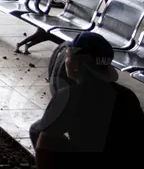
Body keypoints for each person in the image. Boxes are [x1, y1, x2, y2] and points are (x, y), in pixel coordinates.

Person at [29, 32, 144, 168]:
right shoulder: (127, 95)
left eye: (66, 56)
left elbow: (44, 146)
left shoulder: (68, 97)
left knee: (38, 129)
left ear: (75, 65)